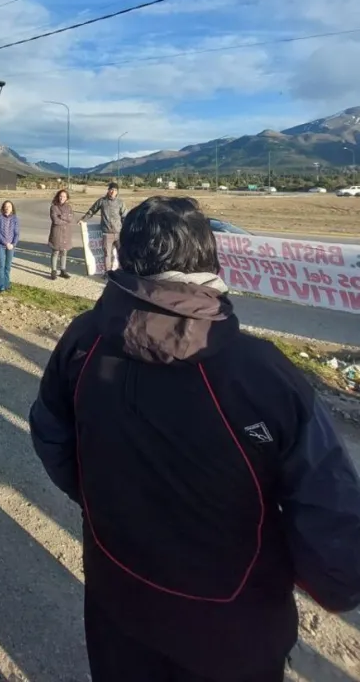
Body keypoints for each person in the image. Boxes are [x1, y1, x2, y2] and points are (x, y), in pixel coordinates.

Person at [30, 196, 360, 682]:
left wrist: (98, 500)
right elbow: (327, 503)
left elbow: (51, 435)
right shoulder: (260, 371)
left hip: (117, 591)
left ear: (126, 257)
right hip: (233, 622)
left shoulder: (84, 338)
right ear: (209, 260)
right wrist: (338, 585)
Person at [79, 181, 127, 272]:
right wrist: (83, 219)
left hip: (119, 233)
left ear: (117, 192)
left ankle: (122, 272)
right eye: (111, 189)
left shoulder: (120, 202)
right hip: (107, 234)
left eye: (115, 190)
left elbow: (125, 217)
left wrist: (126, 229)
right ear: (108, 190)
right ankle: (108, 273)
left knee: (121, 254)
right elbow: (92, 211)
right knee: (107, 254)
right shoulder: (102, 201)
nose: (112, 192)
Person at [48, 188, 74, 280]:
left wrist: (62, 216)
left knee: (64, 251)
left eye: (64, 196)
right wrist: (66, 219)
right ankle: (54, 271)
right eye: (60, 196)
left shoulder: (69, 207)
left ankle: (63, 270)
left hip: (66, 233)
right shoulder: (53, 207)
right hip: (56, 232)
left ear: (67, 198)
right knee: (55, 251)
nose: (62, 198)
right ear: (57, 196)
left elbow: (71, 218)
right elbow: (55, 221)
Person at [0, 200, 19, 292]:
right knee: (1, 265)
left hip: (11, 246)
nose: (7, 208)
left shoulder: (15, 219)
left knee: (7, 266)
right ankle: (0, 286)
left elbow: (16, 233)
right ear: (3, 208)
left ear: (12, 208)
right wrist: (6, 243)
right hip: (1, 245)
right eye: (6, 206)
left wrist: (13, 244)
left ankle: (6, 284)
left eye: (9, 206)